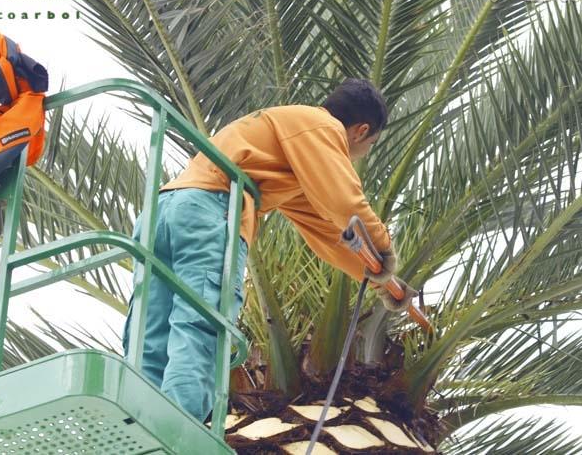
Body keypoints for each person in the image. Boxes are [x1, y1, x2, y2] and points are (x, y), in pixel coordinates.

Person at [121, 77, 418, 422]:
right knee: (200, 327)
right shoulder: (321, 127)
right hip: (210, 214)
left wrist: (379, 278)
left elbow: (328, 229)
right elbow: (344, 203)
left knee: (150, 331)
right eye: (371, 143)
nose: (363, 153)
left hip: (162, 210)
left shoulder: (285, 134)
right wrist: (383, 247)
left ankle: (138, 427)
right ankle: (175, 433)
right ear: (360, 130)